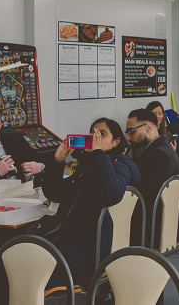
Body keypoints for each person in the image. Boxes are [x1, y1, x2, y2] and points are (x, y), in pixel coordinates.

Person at [41, 118, 140, 288]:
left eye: (102, 134)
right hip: (69, 241)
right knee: (10, 263)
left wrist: (98, 154)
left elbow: (112, 194)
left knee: (26, 272)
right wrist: (57, 163)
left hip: (88, 249)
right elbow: (55, 193)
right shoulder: (88, 166)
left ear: (116, 142)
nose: (95, 137)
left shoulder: (121, 165)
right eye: (92, 133)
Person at [125, 108, 179, 246]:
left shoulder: (158, 155)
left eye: (131, 131)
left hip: (149, 229)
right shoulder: (161, 148)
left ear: (148, 127)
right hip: (157, 222)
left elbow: (143, 196)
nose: (128, 137)